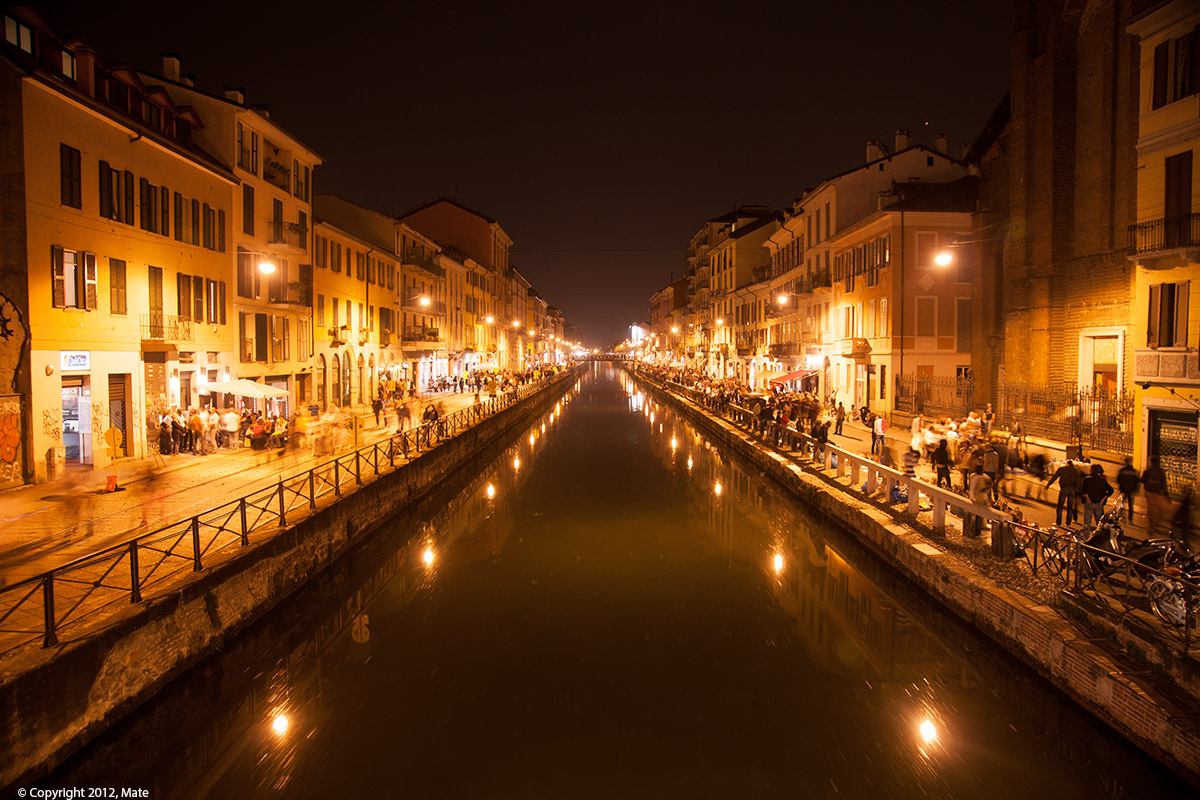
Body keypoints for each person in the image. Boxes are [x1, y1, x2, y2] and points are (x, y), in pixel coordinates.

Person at [1047, 459, 1082, 526]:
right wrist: (1076, 490)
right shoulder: (1075, 471)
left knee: (1060, 506)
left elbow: (1054, 477)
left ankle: (1058, 522)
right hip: (1072, 489)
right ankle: (1068, 523)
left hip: (1064, 488)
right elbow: (1078, 482)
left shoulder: (1062, 469)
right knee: (1070, 507)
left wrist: (1048, 484)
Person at [1141, 456, 1170, 534]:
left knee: (1151, 509)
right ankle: (1155, 524)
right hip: (1158, 493)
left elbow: (1142, 480)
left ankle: (1152, 526)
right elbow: (1164, 483)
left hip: (1150, 492)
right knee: (1158, 509)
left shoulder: (1147, 471)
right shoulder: (1161, 472)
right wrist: (1166, 494)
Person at [966, 465, 993, 538]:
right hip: (978, 499)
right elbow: (983, 489)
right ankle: (977, 533)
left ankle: (971, 531)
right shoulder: (981, 479)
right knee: (979, 517)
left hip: (972, 497)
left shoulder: (973, 476)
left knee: (973, 516)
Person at [1115, 456, 1140, 522]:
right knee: (1130, 505)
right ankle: (1130, 519)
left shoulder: (1122, 471)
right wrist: (1136, 490)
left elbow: (1118, 480)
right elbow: (1137, 481)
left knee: (1122, 503)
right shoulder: (1134, 471)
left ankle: (1122, 516)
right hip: (1131, 490)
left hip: (1123, 489)